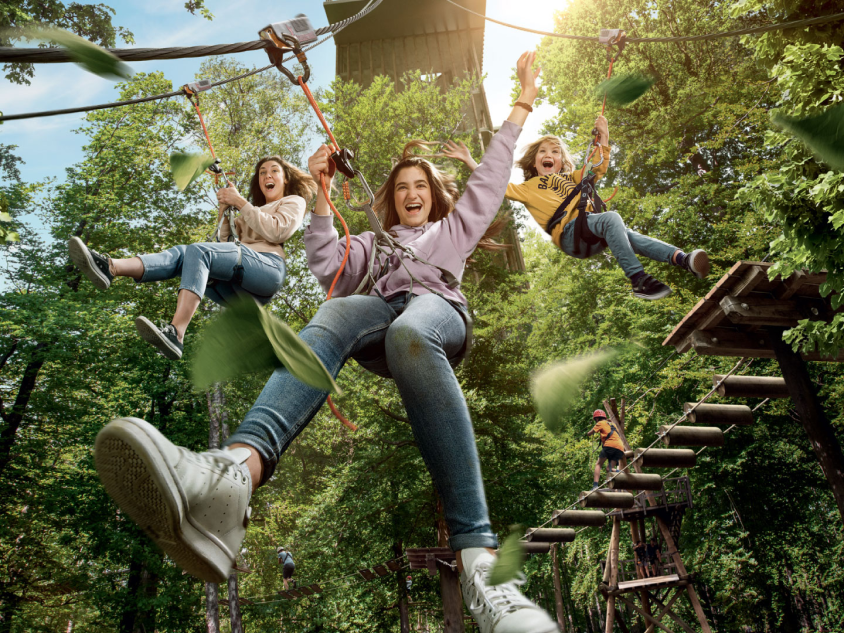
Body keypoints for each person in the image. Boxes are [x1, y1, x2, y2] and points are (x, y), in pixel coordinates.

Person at [93, 52, 558, 633]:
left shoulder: (453, 230)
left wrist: (523, 97)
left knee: (413, 330)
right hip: (381, 314)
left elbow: (489, 176)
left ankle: (480, 562)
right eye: (402, 187)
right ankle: (232, 477)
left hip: (436, 313)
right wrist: (319, 192)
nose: (411, 193)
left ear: (434, 197)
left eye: (421, 186)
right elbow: (325, 261)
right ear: (390, 199)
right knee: (338, 306)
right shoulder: (376, 243)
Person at [67, 156, 316, 360]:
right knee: (186, 253)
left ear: (285, 178)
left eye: (274, 171)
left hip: (266, 270)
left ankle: (176, 332)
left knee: (198, 251)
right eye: (262, 172)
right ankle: (111, 267)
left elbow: (277, 231)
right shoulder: (248, 211)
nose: (267, 176)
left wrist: (240, 202)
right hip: (236, 285)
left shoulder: (293, 201)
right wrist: (224, 210)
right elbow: (222, 247)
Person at [441, 121, 709, 300]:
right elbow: (495, 183)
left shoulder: (572, 178)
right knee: (611, 220)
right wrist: (469, 160)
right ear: (535, 162)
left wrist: (604, 136)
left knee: (625, 234)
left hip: (589, 227)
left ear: (560, 161)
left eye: (555, 151)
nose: (550, 154)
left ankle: (683, 260)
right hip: (571, 235)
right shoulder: (528, 187)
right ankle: (638, 279)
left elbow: (598, 165)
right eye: (543, 151)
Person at [586, 409, 625, 490]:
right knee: (609, 469)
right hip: (620, 447)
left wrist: (587, 433)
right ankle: (621, 472)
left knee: (598, 464)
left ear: (596, 419)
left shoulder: (600, 423)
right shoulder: (612, 424)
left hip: (610, 445)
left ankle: (595, 486)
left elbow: (590, 433)